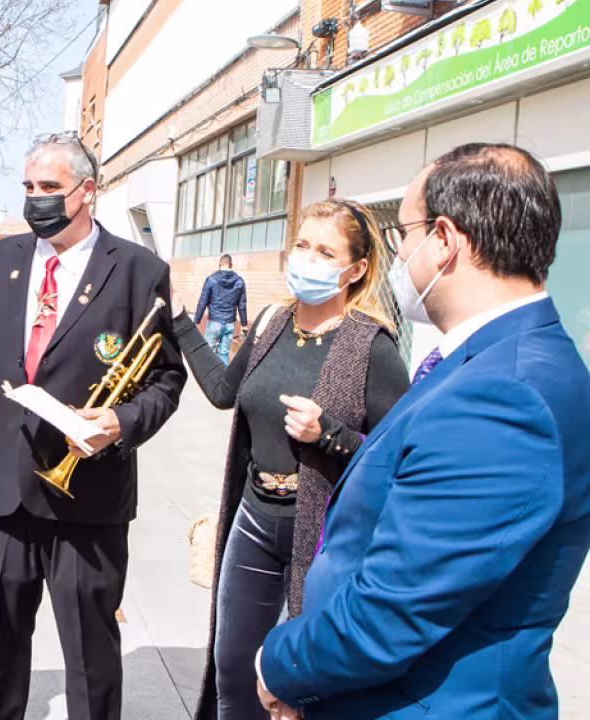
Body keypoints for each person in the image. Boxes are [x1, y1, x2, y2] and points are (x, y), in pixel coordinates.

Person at [257, 143, 590, 720]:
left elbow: (395, 609)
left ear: (444, 239)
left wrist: (278, 665)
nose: (401, 255)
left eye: (402, 235)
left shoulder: (503, 396)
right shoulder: (490, 361)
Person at [0, 132, 187, 720]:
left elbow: (166, 380)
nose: (36, 199)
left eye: (50, 188)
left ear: (87, 192)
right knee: (2, 646)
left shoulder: (139, 271)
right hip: (6, 491)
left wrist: (122, 420)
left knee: (90, 655)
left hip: (89, 496)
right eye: (29, 187)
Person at [170, 199, 409, 720]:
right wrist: (180, 321)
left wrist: (330, 435)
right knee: (232, 668)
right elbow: (221, 391)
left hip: (323, 535)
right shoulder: (273, 322)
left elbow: (402, 462)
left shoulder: (373, 347)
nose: (308, 258)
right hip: (254, 520)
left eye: (326, 251)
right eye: (302, 245)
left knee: (298, 686)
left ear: (356, 270)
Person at [194, 254, 248, 364]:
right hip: (229, 323)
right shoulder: (239, 281)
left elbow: (202, 302)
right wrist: (244, 324)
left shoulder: (211, 280)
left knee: (207, 354)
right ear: (231, 265)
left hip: (214, 322)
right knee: (224, 354)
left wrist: (196, 320)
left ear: (219, 264)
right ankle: (222, 379)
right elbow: (242, 304)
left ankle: (207, 379)